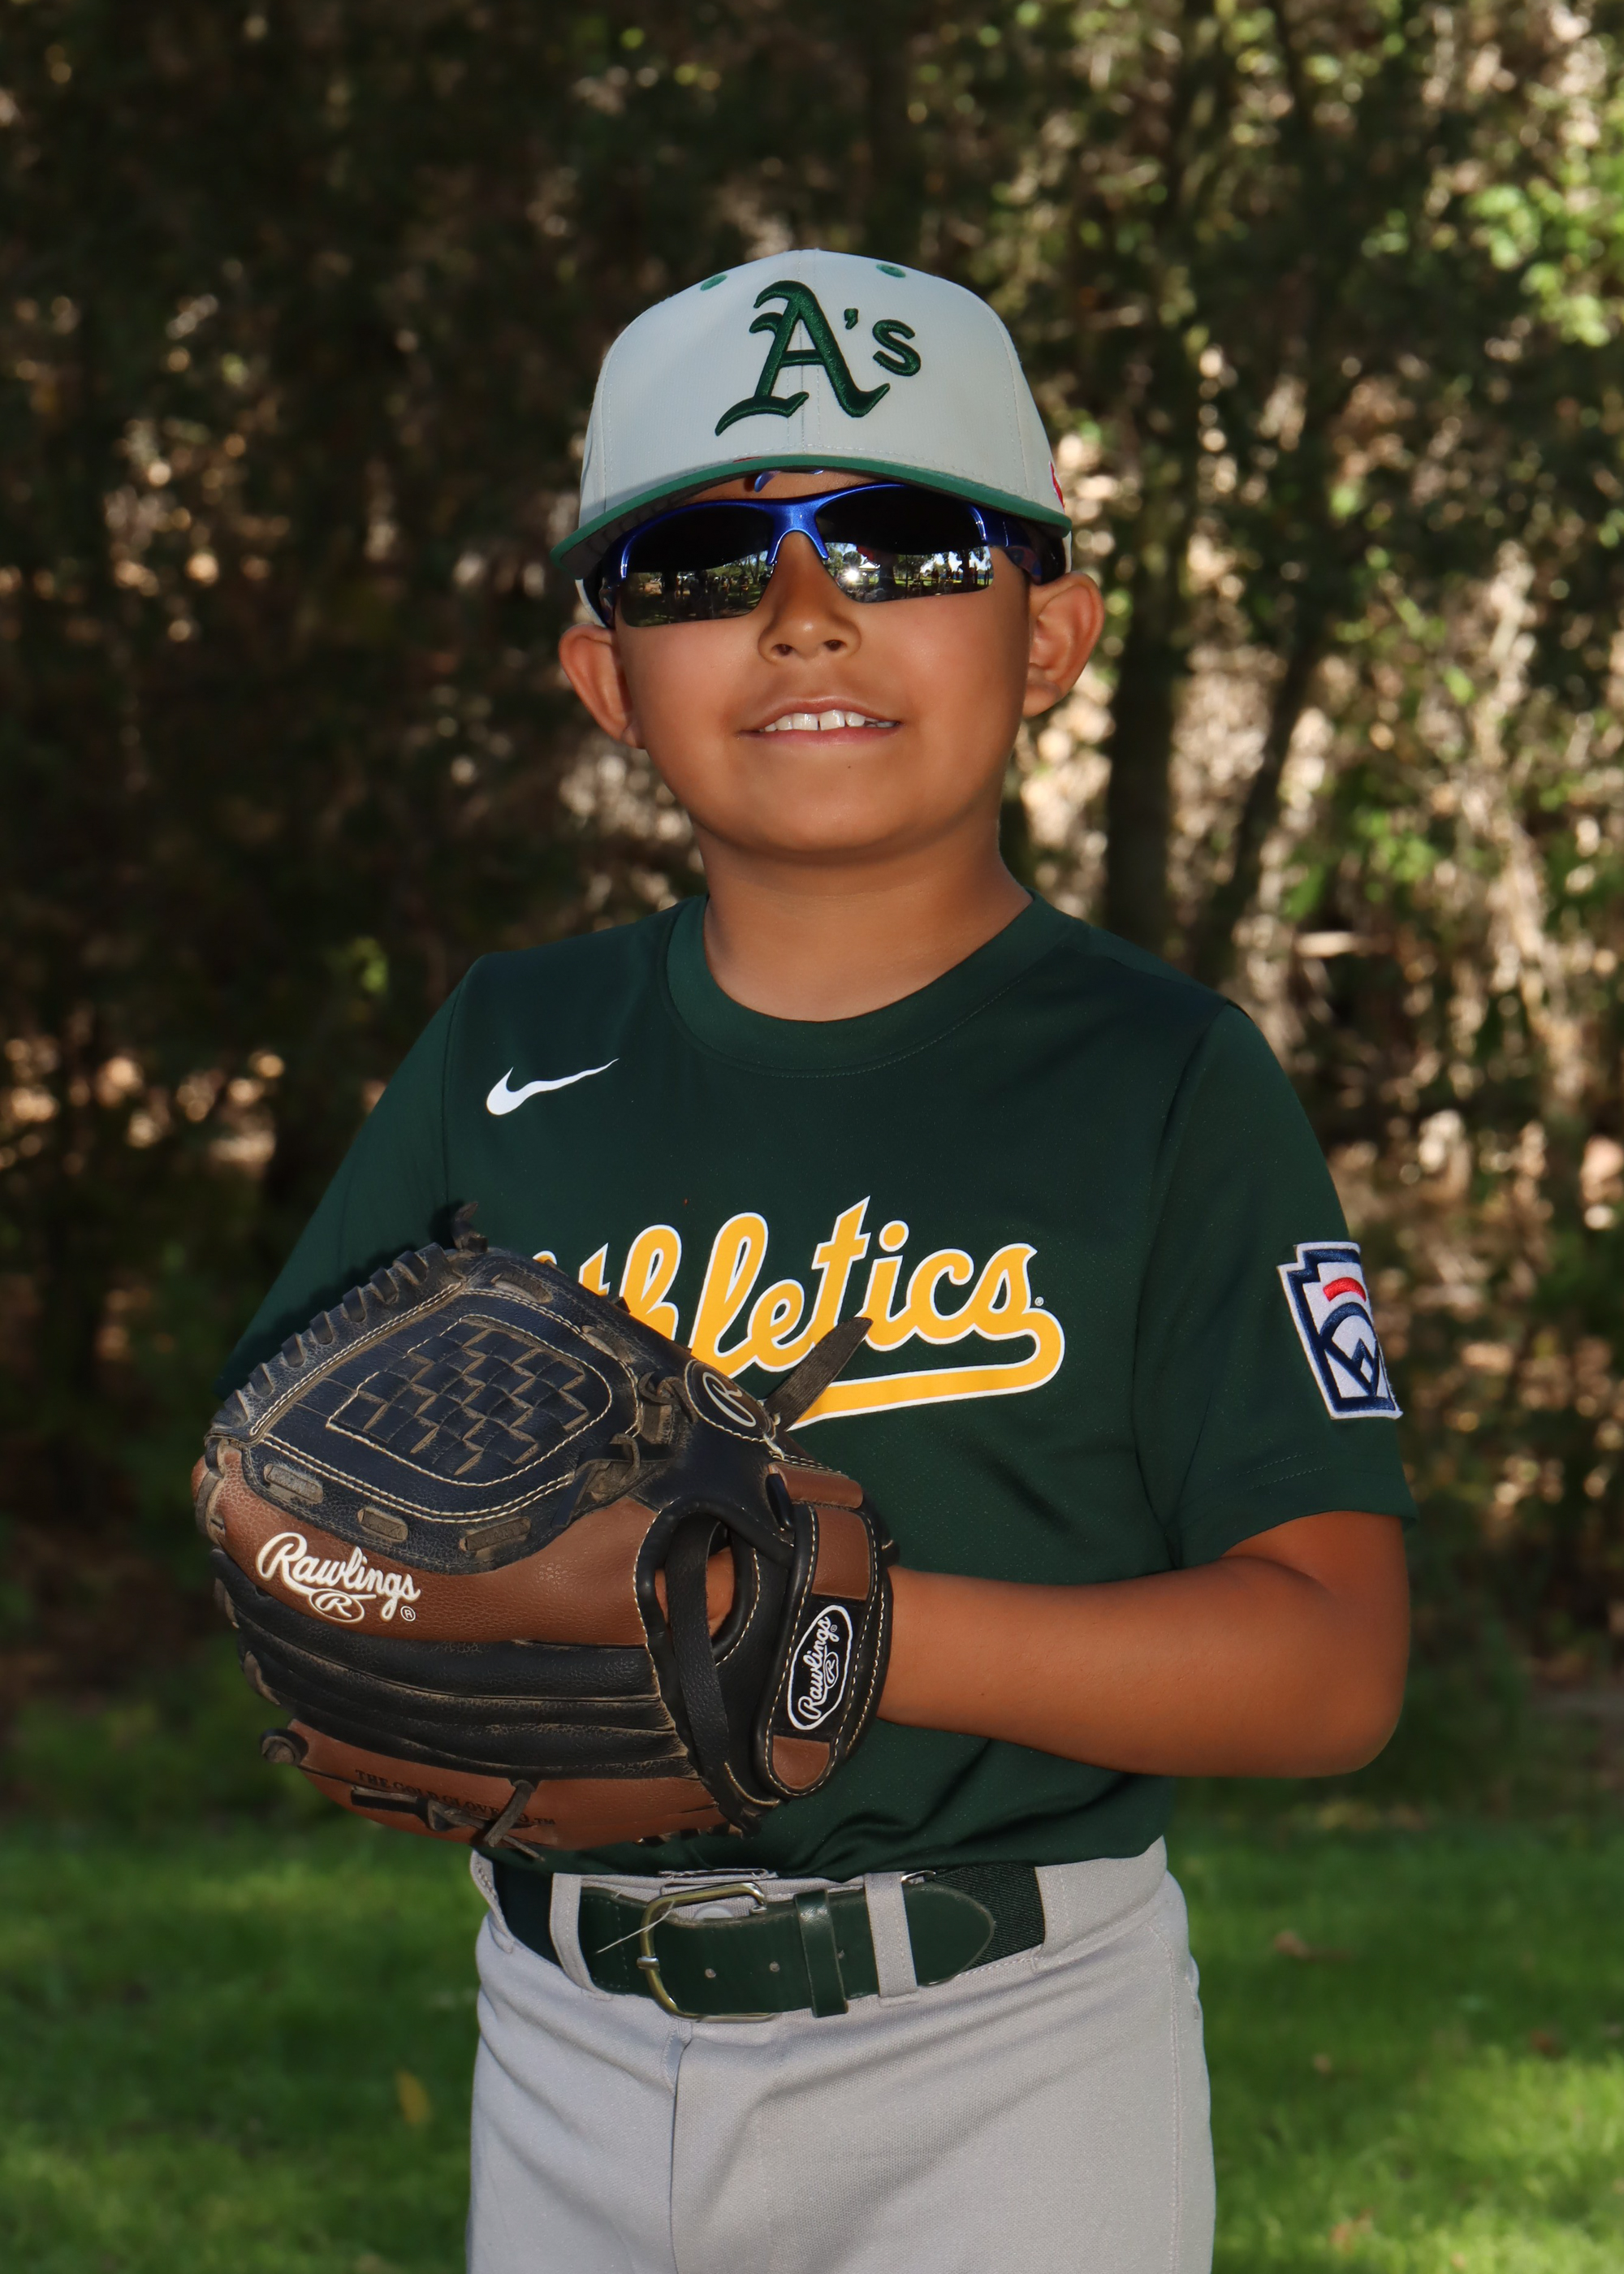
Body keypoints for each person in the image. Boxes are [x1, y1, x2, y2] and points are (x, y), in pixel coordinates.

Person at [222, 249, 1413, 2274]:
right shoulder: (510, 1048)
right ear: (606, 675)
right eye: (701, 560)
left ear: (1052, 634)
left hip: (1013, 2040)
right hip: (568, 2024)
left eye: (904, 540)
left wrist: (812, 1626)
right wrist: (368, 1610)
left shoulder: (1162, 1078)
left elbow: (1331, 1660)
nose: (803, 610)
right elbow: (277, 1502)